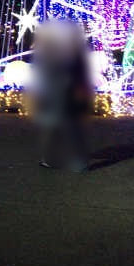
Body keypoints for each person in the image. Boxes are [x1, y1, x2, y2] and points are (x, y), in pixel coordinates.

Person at [30, 21, 92, 173]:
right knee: (58, 126)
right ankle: (51, 157)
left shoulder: (62, 52)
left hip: (62, 94)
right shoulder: (57, 52)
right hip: (57, 94)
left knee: (67, 125)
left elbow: (72, 72)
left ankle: (77, 159)